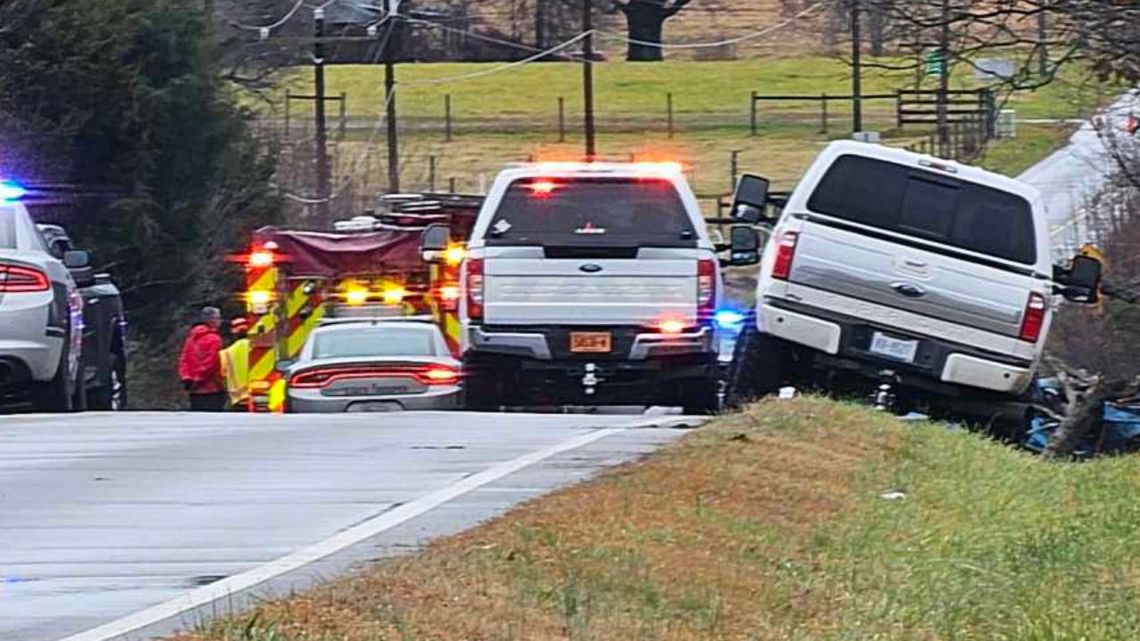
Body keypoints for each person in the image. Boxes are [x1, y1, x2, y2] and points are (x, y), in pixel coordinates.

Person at [177, 306, 225, 411]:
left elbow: (183, 359)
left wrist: (186, 379)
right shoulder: (214, 339)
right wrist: (198, 380)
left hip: (194, 390)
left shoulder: (191, 338)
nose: (220, 321)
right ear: (211, 320)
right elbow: (211, 363)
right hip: (211, 389)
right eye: (218, 318)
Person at [219, 317, 251, 411]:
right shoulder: (261, 350)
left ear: (233, 332)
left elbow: (222, 373)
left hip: (238, 399)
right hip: (260, 395)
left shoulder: (226, 353)